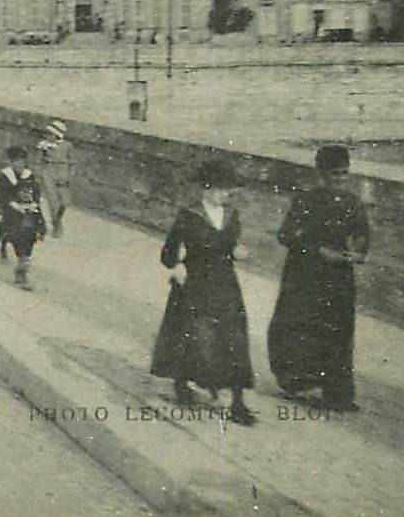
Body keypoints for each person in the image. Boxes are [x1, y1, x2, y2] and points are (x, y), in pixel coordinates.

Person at [150, 156, 257, 425]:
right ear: (206, 188)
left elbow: (231, 244)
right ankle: (183, 383)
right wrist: (177, 265)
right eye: (220, 188)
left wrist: (238, 251)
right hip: (196, 282)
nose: (226, 194)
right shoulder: (189, 215)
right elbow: (167, 254)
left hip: (225, 282)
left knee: (234, 336)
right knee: (196, 335)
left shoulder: (231, 215)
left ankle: (237, 401)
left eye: (228, 189)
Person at [267, 145, 371, 411]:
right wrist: (318, 251)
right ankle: (297, 381)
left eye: (344, 175)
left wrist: (358, 252)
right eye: (335, 175)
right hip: (305, 274)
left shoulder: (353, 203)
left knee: (337, 330)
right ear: (322, 174)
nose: (340, 180)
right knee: (298, 325)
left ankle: (336, 392)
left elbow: (362, 235)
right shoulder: (305, 200)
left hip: (338, 277)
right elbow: (286, 234)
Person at [0, 145, 47, 289]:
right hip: (12, 210)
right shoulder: (5, 176)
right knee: (17, 235)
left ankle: (22, 266)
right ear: (11, 162)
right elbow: (0, 195)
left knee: (29, 236)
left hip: (28, 211)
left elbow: (36, 194)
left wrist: (33, 204)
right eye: (16, 161)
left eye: (22, 161)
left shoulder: (29, 176)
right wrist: (11, 205)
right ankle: (22, 267)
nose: (19, 165)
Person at [36, 120, 75, 238]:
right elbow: (38, 161)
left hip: (63, 173)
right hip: (49, 172)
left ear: (56, 134)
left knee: (64, 202)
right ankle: (57, 225)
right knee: (53, 203)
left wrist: (70, 176)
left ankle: (57, 220)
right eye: (47, 134)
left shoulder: (67, 146)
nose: (47, 136)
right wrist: (41, 174)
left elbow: (72, 163)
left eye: (50, 134)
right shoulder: (43, 146)